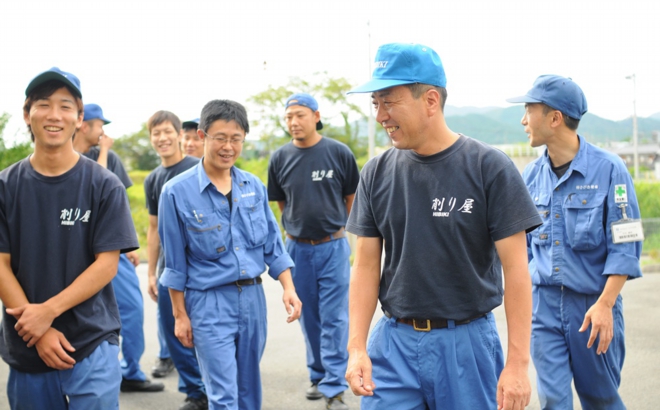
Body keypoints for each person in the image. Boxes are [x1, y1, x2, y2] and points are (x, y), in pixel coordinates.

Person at [344, 43, 543, 410]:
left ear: (431, 100)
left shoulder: (488, 168)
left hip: (465, 343)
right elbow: (366, 265)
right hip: (393, 343)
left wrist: (517, 364)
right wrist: (356, 347)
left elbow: (516, 270)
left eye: (389, 102)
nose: (381, 115)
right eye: (375, 103)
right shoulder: (375, 173)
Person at [0, 67, 139, 409]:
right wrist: (38, 329)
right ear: (27, 114)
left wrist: (48, 312)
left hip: (91, 341)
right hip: (28, 344)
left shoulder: (104, 185)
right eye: (43, 104)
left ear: (78, 118)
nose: (54, 115)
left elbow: (106, 265)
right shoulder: (6, 187)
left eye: (65, 106)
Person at [507, 75, 643, 409]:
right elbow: (523, 250)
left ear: (554, 118)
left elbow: (626, 244)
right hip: (543, 309)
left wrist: (606, 304)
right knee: (553, 400)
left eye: (529, 110)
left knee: (601, 399)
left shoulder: (610, 170)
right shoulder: (531, 176)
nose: (523, 120)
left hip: (593, 305)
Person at [159, 99, 302, 409]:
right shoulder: (175, 192)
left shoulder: (254, 186)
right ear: (202, 136)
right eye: (220, 138)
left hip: (252, 299)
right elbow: (175, 264)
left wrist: (289, 288)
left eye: (236, 139)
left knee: (249, 391)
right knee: (223, 396)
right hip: (208, 302)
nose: (228, 147)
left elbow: (273, 245)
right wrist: (180, 315)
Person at [267, 93, 359, 409]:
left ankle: (334, 387)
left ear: (316, 116)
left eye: (300, 115)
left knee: (334, 318)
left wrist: (346, 236)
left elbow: (352, 199)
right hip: (297, 249)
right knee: (308, 316)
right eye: (288, 116)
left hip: (333, 246)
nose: (294, 122)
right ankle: (318, 375)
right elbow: (282, 203)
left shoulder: (339, 153)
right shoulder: (279, 158)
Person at [73, 103, 164, 393]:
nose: (103, 132)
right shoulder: (65, 157)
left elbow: (116, 202)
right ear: (84, 125)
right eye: (100, 125)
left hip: (112, 248)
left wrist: (128, 242)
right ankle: (88, 375)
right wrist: (102, 152)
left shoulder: (109, 158)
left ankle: (131, 371)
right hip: (78, 253)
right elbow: (91, 187)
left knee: (132, 310)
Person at [143, 111, 206, 409]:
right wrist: (152, 273)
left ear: (179, 135)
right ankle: (196, 392)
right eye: (156, 133)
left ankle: (216, 387)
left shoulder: (197, 168)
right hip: (169, 271)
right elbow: (153, 228)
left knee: (206, 332)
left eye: (167, 131)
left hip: (202, 269)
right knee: (174, 332)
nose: (162, 138)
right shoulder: (153, 179)